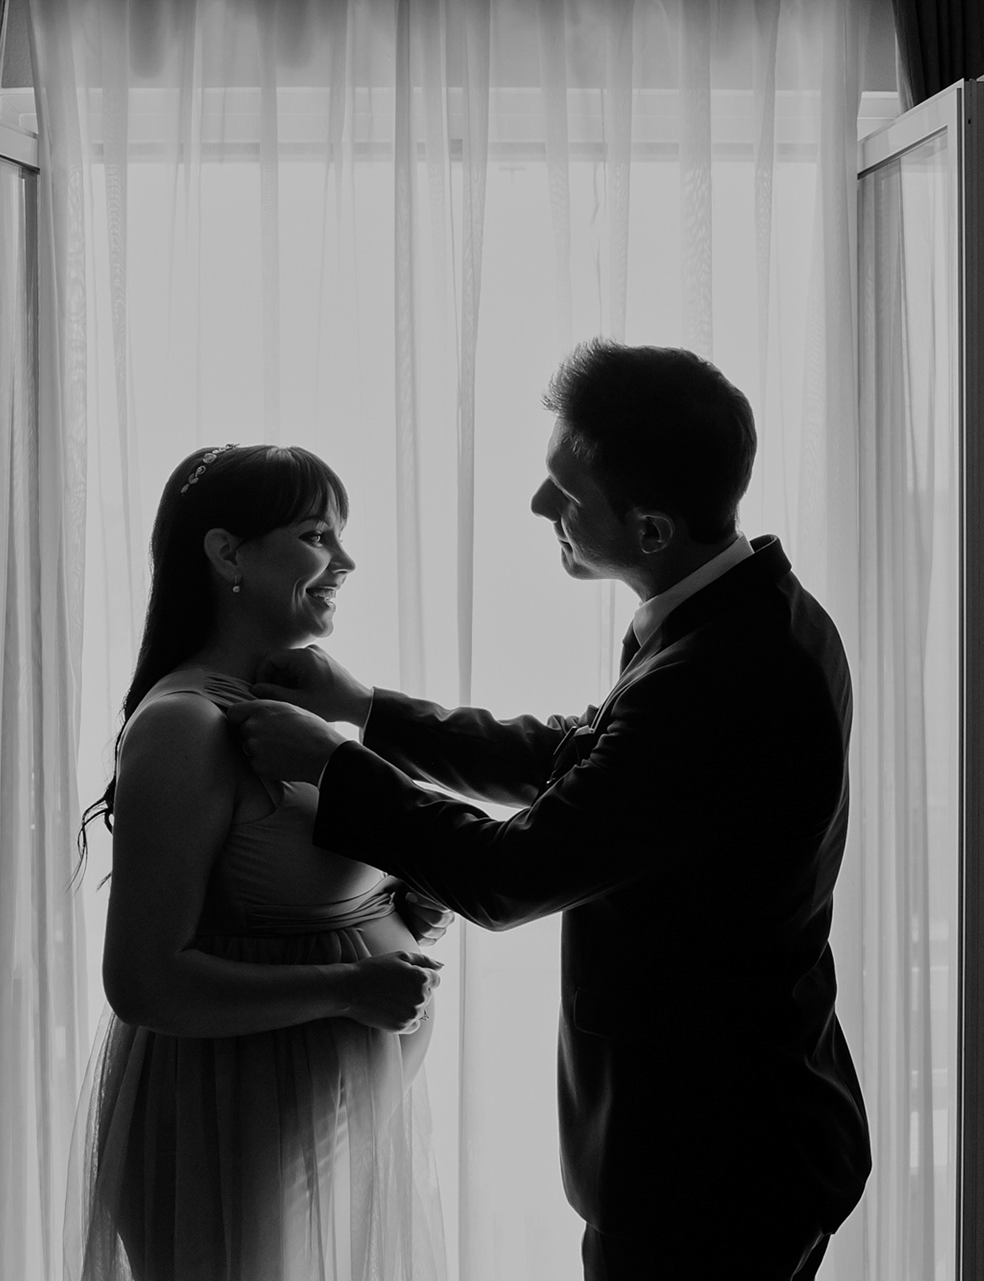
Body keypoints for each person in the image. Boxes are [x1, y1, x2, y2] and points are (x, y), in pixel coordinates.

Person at [225, 341, 872, 1280]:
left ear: (651, 528)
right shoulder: (743, 609)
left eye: (565, 493)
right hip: (747, 1128)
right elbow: (583, 756)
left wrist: (335, 765)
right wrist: (370, 708)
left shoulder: (721, 674)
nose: (539, 506)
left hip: (708, 1167)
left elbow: (510, 873)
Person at [69, 444, 452, 1281]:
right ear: (227, 554)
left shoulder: (289, 713)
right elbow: (143, 979)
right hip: (229, 1132)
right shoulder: (185, 725)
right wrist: (351, 987)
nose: (345, 561)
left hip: (321, 1132)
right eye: (317, 535)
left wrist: (408, 900)